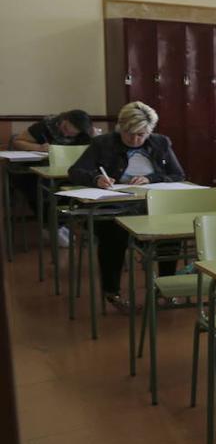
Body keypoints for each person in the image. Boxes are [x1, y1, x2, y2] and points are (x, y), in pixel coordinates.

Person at [67, 101, 185, 308]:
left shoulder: (161, 143)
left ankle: (166, 287)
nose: (135, 139)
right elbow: (75, 172)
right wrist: (96, 178)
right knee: (114, 233)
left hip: (150, 205)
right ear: (121, 126)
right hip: (113, 208)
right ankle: (111, 291)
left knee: (170, 234)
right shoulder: (102, 143)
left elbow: (178, 175)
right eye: (130, 133)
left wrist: (151, 178)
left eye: (142, 134)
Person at [9, 109, 94, 237]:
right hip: (36, 170)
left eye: (71, 134)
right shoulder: (45, 126)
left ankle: (61, 223)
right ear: (63, 119)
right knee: (38, 186)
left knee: (78, 185)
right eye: (65, 128)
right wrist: (38, 147)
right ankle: (51, 225)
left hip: (66, 171)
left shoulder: (84, 134)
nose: (66, 134)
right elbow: (18, 141)